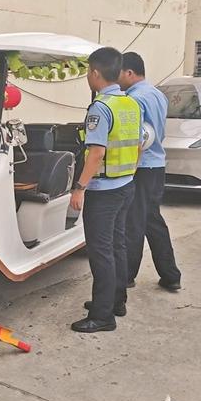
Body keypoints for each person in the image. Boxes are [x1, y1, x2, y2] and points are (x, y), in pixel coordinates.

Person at [70, 47, 142, 333]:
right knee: (117, 245)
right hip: (125, 184)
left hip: (104, 191)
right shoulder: (130, 104)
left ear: (95, 73)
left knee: (100, 252)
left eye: (88, 72)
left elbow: (96, 153)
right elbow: (139, 145)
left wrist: (79, 188)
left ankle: (102, 316)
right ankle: (116, 302)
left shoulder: (101, 108)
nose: (88, 77)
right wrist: (130, 173)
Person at [118, 52, 182, 291]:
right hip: (157, 165)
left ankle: (127, 275)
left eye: (118, 74)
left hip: (141, 166)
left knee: (133, 222)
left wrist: (130, 169)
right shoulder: (157, 94)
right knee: (151, 219)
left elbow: (138, 139)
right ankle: (170, 275)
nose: (116, 79)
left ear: (129, 72)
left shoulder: (133, 100)